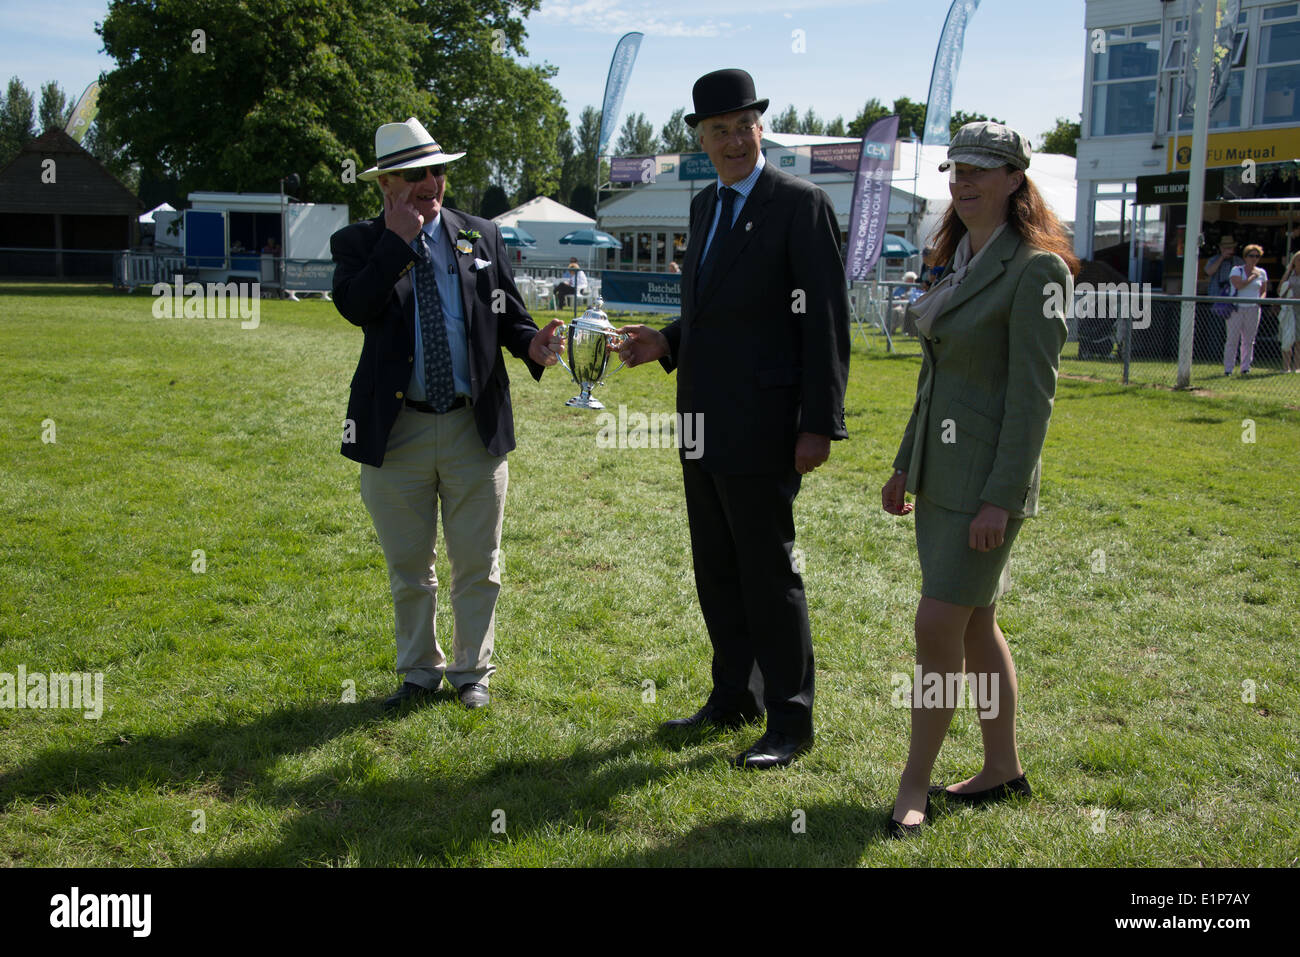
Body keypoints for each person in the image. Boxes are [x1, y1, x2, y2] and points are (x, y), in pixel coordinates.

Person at [617, 69, 850, 770]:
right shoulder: (703, 205)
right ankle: (733, 697)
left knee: (767, 570)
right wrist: (668, 341)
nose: (731, 139)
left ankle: (791, 719)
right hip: (700, 419)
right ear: (699, 139)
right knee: (716, 567)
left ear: (760, 128)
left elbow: (827, 322)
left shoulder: (798, 204)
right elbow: (713, 308)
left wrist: (820, 422)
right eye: (716, 129)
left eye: (742, 125)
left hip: (766, 423)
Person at [881, 121, 1077, 836]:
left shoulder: (1038, 270)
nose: (964, 182)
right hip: (939, 477)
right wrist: (906, 462)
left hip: (987, 487)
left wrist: (1000, 496)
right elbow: (935, 378)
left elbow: (1033, 400)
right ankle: (1002, 768)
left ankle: (914, 781)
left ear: (1015, 180)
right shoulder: (956, 257)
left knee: (938, 623)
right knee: (975, 623)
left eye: (981, 170)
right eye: (956, 169)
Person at [330, 117, 563, 712]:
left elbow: (508, 314)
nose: (431, 184)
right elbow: (357, 307)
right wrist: (396, 243)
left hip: (471, 425)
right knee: (410, 565)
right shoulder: (358, 243)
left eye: (436, 171)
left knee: (478, 563)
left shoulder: (479, 235)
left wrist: (532, 342)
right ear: (386, 185)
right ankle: (417, 671)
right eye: (414, 176)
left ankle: (471, 671)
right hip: (397, 430)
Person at [1225, 244, 1267, 376]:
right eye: (1251, 256)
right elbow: (1239, 285)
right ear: (1245, 257)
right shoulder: (1236, 270)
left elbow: (1263, 290)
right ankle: (1228, 369)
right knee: (1232, 339)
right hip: (1236, 308)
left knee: (1249, 340)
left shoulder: (1262, 272)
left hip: (1253, 309)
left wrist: (1260, 301)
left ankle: (1245, 367)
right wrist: (1252, 277)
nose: (1254, 259)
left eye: (1257, 256)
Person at [1278, 252, 1300, 373]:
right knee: (1286, 340)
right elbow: (1280, 291)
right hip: (1288, 312)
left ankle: (1297, 368)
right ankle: (1285, 367)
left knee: (1298, 341)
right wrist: (1288, 271)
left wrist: (1295, 298)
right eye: (1298, 260)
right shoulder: (1289, 276)